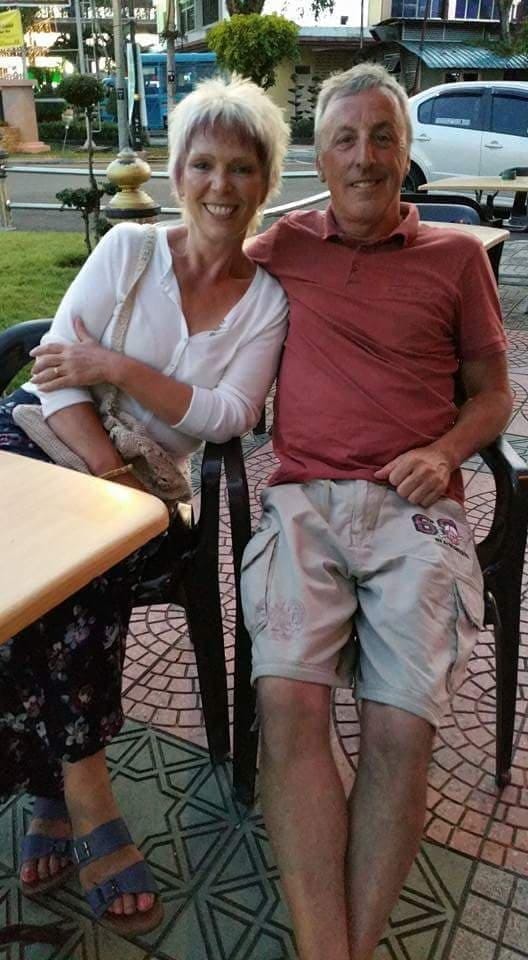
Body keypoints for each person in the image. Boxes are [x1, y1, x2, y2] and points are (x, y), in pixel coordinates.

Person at [0, 75, 289, 935]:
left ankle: (63, 789)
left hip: (153, 491)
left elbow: (229, 415)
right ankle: (72, 781)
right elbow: (55, 373)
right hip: (47, 440)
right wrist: (105, 468)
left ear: (266, 182)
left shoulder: (267, 300)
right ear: (177, 171)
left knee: (80, 565)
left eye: (242, 167)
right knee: (22, 565)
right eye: (203, 164)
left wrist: (118, 368)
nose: (220, 185)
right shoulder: (128, 250)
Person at [241, 63, 512, 960]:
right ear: (320, 158)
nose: (364, 157)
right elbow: (191, 261)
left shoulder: (457, 259)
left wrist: (446, 451)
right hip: (303, 503)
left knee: (402, 727)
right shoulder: (284, 245)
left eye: (382, 137)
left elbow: (494, 392)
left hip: (414, 509)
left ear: (406, 151)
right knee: (288, 704)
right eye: (345, 139)